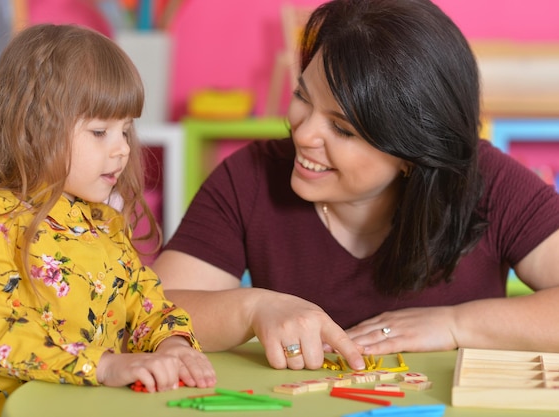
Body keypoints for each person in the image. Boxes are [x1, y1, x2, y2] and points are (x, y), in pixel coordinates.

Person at [152, 0, 559, 372]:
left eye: (342, 129)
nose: (304, 133)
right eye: (302, 97)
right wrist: (252, 308)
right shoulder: (250, 176)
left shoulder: (487, 181)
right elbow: (145, 312)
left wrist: (456, 324)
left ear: (411, 155)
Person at [0, 24, 216, 417]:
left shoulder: (104, 222)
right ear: (33, 128)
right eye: (100, 131)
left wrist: (173, 346)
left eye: (126, 130)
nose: (122, 149)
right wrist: (105, 365)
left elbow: (147, 306)